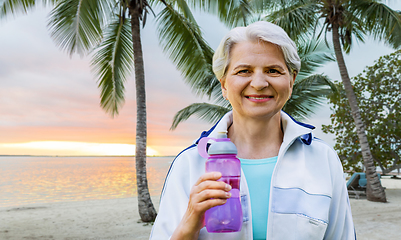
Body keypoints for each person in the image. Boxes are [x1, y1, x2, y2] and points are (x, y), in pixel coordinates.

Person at [149, 21, 355, 240]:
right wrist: (189, 222)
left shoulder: (323, 159)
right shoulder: (190, 163)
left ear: (291, 81)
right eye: (244, 70)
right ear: (224, 85)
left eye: (273, 71)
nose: (258, 83)